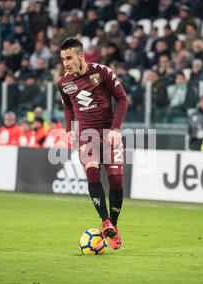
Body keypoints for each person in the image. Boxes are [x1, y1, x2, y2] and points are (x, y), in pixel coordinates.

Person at [58, 37, 128, 250]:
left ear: (81, 56)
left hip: (109, 135)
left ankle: (113, 226)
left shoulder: (102, 72)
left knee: (115, 181)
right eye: (63, 59)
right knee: (92, 172)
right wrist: (69, 129)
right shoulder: (64, 83)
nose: (66, 63)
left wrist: (116, 129)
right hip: (86, 137)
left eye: (69, 58)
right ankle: (105, 220)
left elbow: (122, 99)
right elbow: (68, 107)